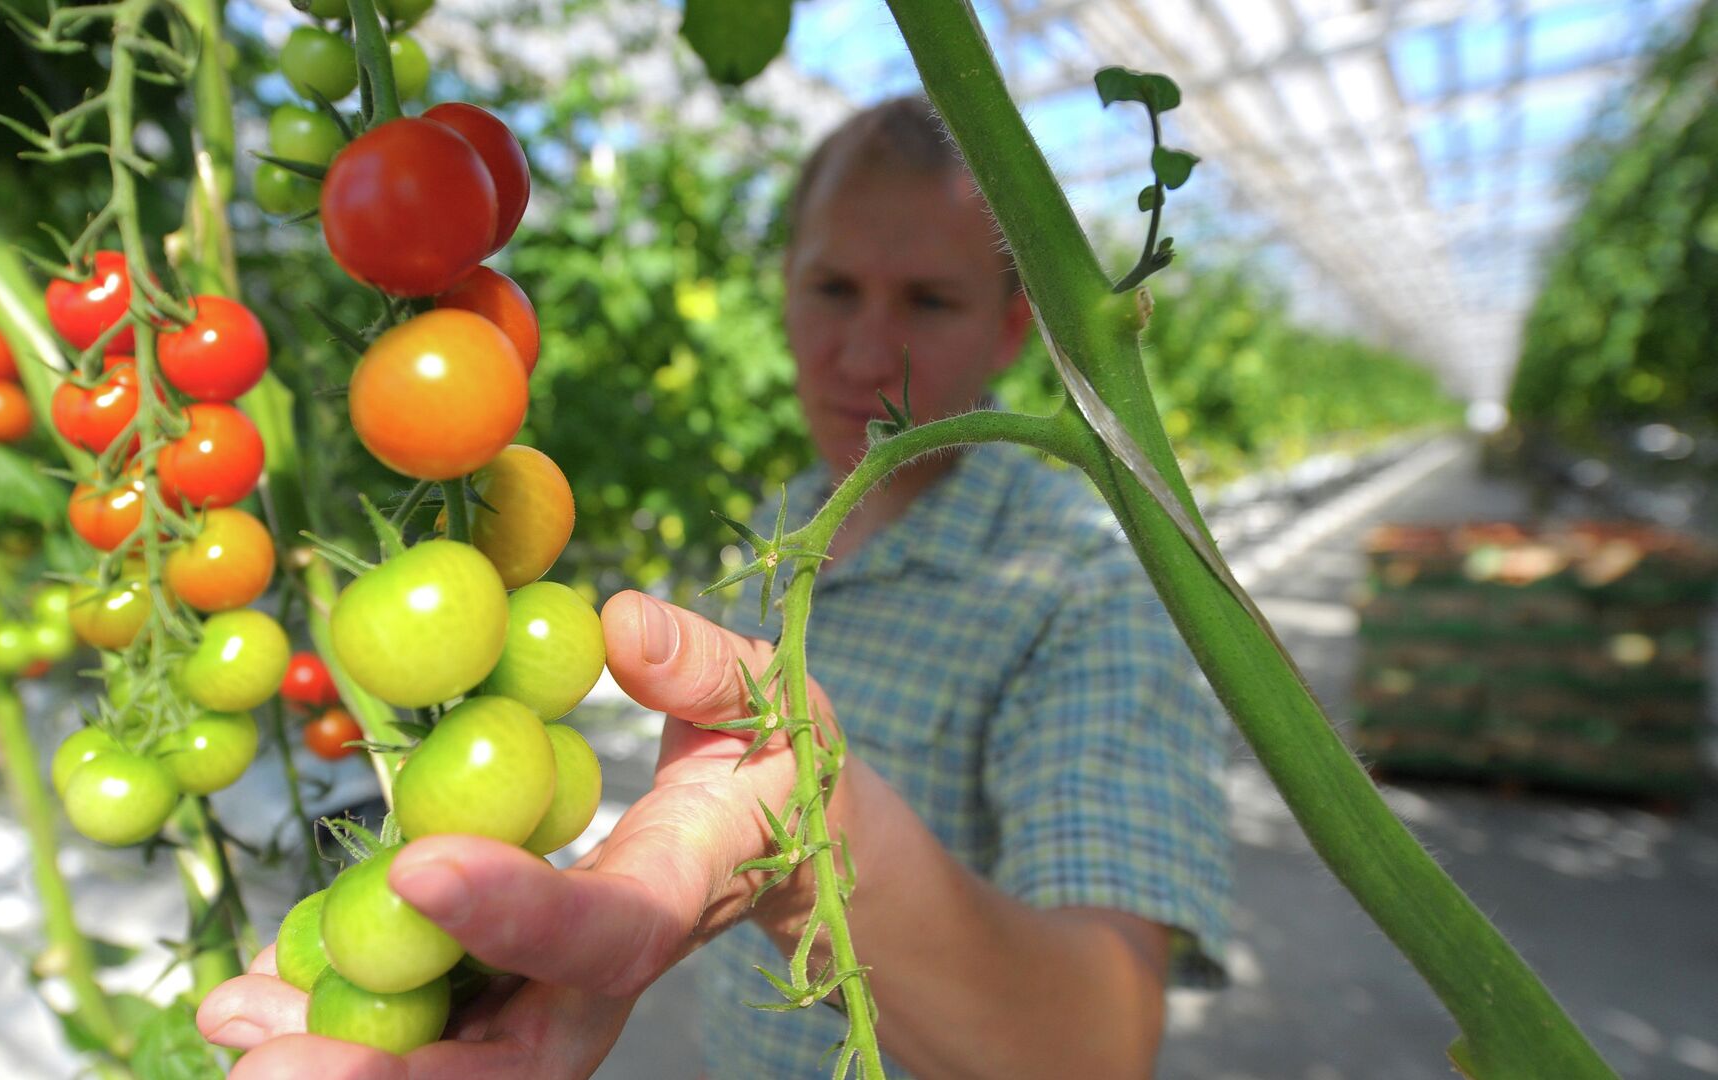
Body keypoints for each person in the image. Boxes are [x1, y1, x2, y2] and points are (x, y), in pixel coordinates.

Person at [198, 95, 1231, 1079]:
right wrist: (621, 924)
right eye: (833, 288)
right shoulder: (776, 535)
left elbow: (1098, 1047)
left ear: (1013, 331)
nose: (866, 351)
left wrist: (806, 836)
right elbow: (696, 859)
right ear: (784, 285)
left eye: (930, 299)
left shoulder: (1087, 590)